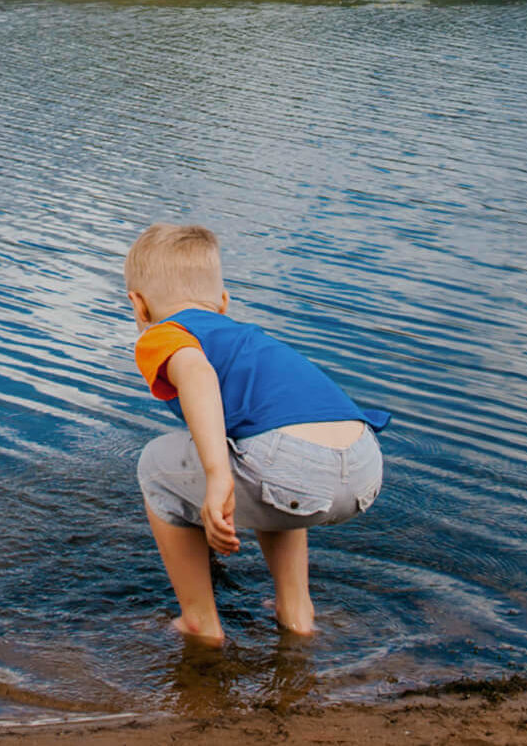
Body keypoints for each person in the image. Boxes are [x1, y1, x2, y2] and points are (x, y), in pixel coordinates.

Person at [126, 223, 390, 644]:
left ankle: (198, 621)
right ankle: (296, 610)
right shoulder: (248, 339)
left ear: (139, 306)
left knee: (156, 467)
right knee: (266, 457)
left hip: (291, 465)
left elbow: (196, 375)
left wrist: (217, 477)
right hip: (364, 462)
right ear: (223, 302)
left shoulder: (164, 334)